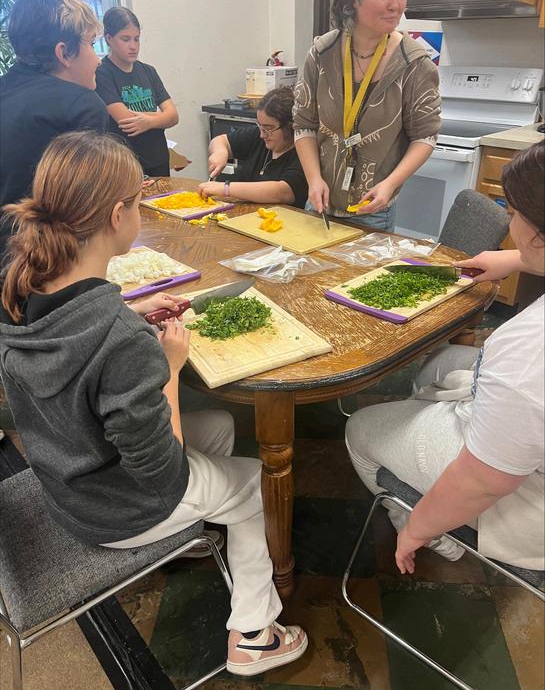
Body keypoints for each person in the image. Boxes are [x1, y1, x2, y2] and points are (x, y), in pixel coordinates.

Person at [0, 131, 307, 676]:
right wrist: (167, 368)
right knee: (259, 483)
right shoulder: (120, 340)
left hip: (66, 480)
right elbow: (163, 474)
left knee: (217, 426)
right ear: (118, 216)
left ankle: (192, 534)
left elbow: (81, 339)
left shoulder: (19, 289)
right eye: (139, 203)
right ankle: (254, 635)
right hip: (115, 508)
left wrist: (131, 312)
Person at [345, 140, 544, 574]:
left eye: (512, 213)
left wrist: (419, 527)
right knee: (439, 365)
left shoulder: (529, 349)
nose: (509, 223)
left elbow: (483, 480)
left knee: (359, 429)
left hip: (529, 503)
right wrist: (515, 259)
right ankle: (416, 432)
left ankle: (430, 530)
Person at [293, 0, 441, 231]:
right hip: (319, 205)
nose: (396, 5)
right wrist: (313, 178)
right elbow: (304, 125)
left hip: (372, 210)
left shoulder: (414, 64)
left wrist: (391, 184)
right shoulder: (322, 53)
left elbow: (425, 137)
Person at [0, 0, 108, 260]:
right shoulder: (82, 105)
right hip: (39, 263)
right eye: (91, 44)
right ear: (64, 53)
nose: (98, 60)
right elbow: (86, 213)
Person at [95, 7, 179, 177]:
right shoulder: (102, 73)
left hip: (158, 159)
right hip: (127, 164)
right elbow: (127, 121)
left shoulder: (148, 71)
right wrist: (160, 118)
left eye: (137, 39)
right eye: (125, 39)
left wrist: (148, 121)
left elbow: (174, 116)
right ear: (109, 39)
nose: (133, 46)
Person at [197, 87, 308, 208]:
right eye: (260, 127)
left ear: (290, 126)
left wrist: (226, 188)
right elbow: (220, 140)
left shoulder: (304, 153)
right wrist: (220, 152)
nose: (262, 135)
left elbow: (282, 192)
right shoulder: (257, 136)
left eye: (268, 128)